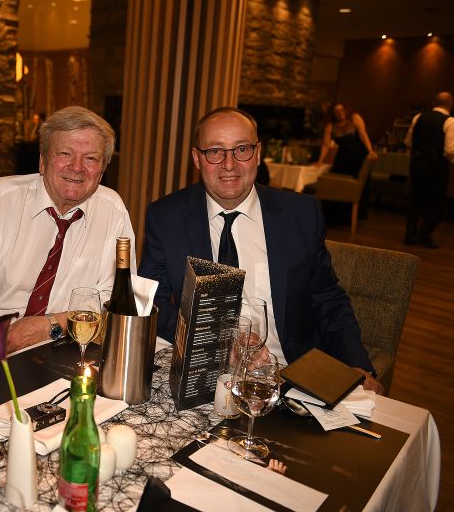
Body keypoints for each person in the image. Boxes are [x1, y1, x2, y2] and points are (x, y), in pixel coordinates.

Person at [138, 107, 383, 394]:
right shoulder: (166, 217)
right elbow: (150, 301)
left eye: (241, 149)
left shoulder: (300, 214)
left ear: (257, 154)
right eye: (215, 151)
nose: (229, 164)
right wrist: (216, 342)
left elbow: (327, 298)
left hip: (292, 376)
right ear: (197, 158)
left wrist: (357, 365)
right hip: (206, 372)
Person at [0, 106, 135, 354]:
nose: (77, 167)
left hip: (67, 349)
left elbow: (117, 304)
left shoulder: (112, 209)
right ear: (42, 161)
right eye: (65, 153)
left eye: (90, 158)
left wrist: (51, 325)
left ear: (101, 172)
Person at [403, 91, 454, 248]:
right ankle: (424, 236)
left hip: (416, 163)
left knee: (415, 200)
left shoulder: (418, 117)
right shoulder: (450, 121)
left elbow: (408, 141)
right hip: (436, 166)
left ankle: (410, 236)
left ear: (434, 102)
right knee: (436, 203)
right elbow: (450, 150)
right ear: (451, 104)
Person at [317, 102, 377, 177]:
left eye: (342, 110)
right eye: (336, 112)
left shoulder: (354, 118)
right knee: (336, 176)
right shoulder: (330, 126)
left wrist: (370, 150)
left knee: (358, 177)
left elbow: (363, 135)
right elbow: (325, 145)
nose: (340, 113)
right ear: (333, 114)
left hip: (359, 154)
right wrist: (320, 161)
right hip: (343, 155)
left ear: (346, 110)